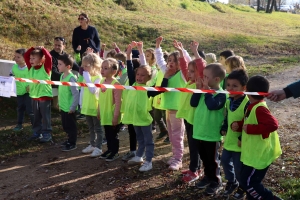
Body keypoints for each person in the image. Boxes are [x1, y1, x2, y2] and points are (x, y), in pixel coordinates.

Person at [231, 76, 282, 200]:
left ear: (247, 91)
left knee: (249, 183)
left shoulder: (259, 108)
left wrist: (251, 129)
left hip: (258, 156)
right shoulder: (252, 106)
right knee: (246, 180)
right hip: (252, 155)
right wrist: (239, 126)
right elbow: (250, 121)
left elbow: (273, 124)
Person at [123, 42, 167, 172]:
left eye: (143, 75)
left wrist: (167, 76)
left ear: (148, 78)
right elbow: (130, 68)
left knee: (148, 141)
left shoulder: (148, 89)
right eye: (138, 75)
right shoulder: (132, 83)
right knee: (140, 139)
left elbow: (161, 89)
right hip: (134, 118)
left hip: (144, 118)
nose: (139, 77)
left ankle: (149, 161)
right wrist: (128, 55)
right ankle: (139, 156)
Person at [191, 63, 226, 195]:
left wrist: (206, 91)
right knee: (204, 158)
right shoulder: (204, 91)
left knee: (213, 160)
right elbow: (193, 103)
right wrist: (198, 89)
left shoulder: (222, 94)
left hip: (211, 134)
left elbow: (212, 106)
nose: (203, 79)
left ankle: (216, 181)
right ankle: (207, 176)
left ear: (216, 79)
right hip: (200, 131)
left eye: (206, 77)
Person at [175, 41, 205, 183]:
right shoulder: (189, 80)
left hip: (195, 119)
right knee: (192, 145)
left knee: (195, 146)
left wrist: (195, 53)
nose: (189, 73)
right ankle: (194, 167)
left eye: (193, 71)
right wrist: (181, 53)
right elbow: (183, 67)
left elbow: (201, 67)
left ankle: (195, 170)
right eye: (189, 71)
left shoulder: (200, 82)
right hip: (188, 117)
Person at [155, 37, 187, 171]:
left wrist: (182, 51)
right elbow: (160, 61)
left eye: (175, 61)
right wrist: (157, 48)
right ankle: (174, 156)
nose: (170, 63)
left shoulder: (182, 75)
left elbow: (186, 63)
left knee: (177, 135)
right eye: (170, 60)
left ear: (180, 64)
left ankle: (178, 159)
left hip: (178, 110)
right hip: (168, 109)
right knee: (171, 134)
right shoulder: (167, 73)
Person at [220, 69, 250, 199]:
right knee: (225, 160)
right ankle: (232, 182)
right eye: (228, 85)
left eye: (234, 86)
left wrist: (241, 137)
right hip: (229, 141)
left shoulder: (247, 103)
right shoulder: (229, 100)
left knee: (239, 167)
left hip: (239, 143)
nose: (230, 89)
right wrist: (224, 127)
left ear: (244, 88)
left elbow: (249, 122)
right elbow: (228, 117)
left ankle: (243, 187)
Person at [24, 46, 53, 142]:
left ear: (41, 59)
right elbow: (26, 55)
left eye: (34, 58)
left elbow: (49, 58)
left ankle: (47, 133)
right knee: (36, 116)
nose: (31, 60)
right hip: (34, 96)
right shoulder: (30, 68)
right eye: (30, 58)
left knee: (45, 116)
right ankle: (37, 132)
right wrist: (32, 48)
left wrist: (43, 49)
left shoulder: (46, 68)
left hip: (44, 96)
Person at [80, 53, 104, 157]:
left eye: (86, 65)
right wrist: (81, 104)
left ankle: (99, 147)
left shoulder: (98, 77)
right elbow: (83, 91)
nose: (84, 68)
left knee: (98, 128)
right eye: (83, 65)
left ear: (94, 65)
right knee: (90, 127)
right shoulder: (86, 76)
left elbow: (93, 90)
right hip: (86, 106)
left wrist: (88, 79)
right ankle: (92, 144)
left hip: (95, 107)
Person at [98, 58, 122, 161]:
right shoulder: (102, 81)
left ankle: (115, 152)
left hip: (112, 115)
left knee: (113, 135)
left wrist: (115, 117)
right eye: (102, 68)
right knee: (107, 134)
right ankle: (109, 149)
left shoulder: (116, 85)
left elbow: (118, 102)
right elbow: (100, 98)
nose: (102, 70)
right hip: (104, 114)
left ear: (114, 71)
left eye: (106, 68)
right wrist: (98, 110)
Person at [57, 54, 79, 151]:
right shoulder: (62, 76)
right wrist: (58, 102)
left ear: (68, 66)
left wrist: (73, 107)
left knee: (71, 127)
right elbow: (61, 90)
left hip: (70, 108)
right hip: (63, 106)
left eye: (60, 64)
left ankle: (72, 143)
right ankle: (69, 139)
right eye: (58, 64)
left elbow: (76, 94)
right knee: (65, 125)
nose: (58, 66)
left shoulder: (71, 78)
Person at [50, 37, 79, 109]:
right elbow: (53, 73)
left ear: (64, 46)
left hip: (65, 79)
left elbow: (76, 67)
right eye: (55, 45)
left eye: (59, 45)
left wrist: (77, 78)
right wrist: (66, 78)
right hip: (54, 80)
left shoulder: (66, 56)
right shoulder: (50, 56)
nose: (56, 47)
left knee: (76, 73)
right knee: (57, 107)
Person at [10, 48, 34, 131]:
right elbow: (11, 76)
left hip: (29, 92)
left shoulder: (30, 68)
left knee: (30, 110)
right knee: (20, 108)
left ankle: (35, 126)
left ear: (25, 58)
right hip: (19, 91)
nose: (15, 59)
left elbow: (34, 78)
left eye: (18, 57)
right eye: (15, 57)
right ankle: (19, 124)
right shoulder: (14, 67)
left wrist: (30, 86)